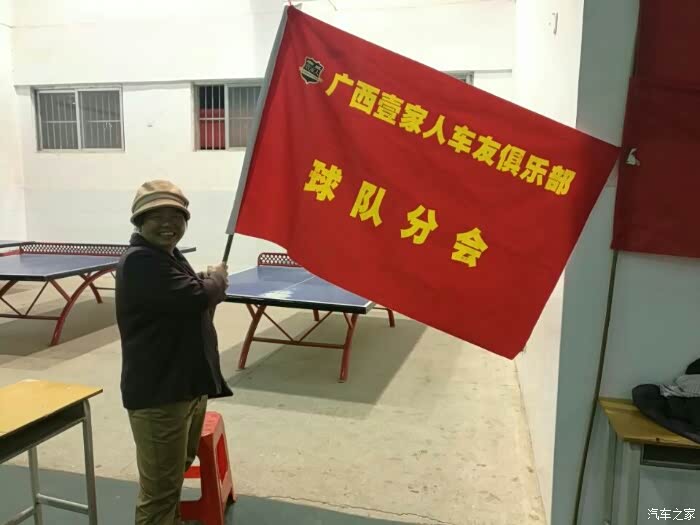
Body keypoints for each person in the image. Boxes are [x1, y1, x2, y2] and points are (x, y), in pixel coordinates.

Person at [115, 180, 233, 525]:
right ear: (139, 222)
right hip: (159, 394)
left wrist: (206, 280)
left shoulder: (168, 256)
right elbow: (197, 297)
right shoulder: (140, 261)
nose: (168, 224)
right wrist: (217, 280)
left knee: (174, 473)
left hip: (184, 386)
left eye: (176, 217)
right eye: (157, 217)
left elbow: (187, 293)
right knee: (160, 491)